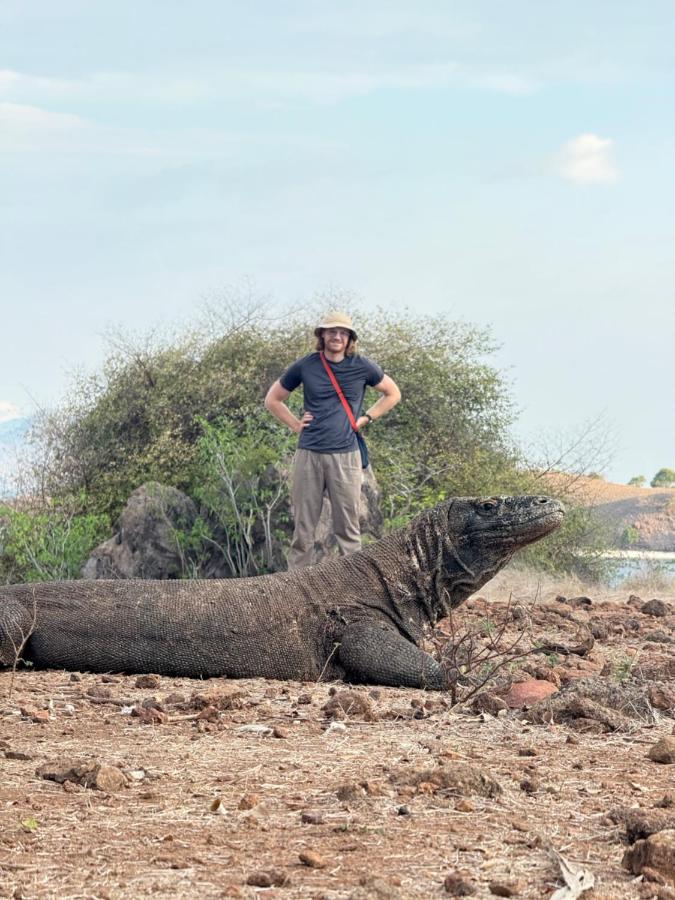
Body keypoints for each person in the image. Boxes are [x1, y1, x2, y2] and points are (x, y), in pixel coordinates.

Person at [264, 312, 401, 568]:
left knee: (348, 529)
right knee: (303, 529)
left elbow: (393, 394)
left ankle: (353, 590)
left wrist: (368, 417)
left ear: (349, 338)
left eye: (343, 332)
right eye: (332, 331)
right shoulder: (305, 365)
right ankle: (295, 589)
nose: (337, 336)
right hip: (309, 453)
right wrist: (295, 424)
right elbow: (272, 399)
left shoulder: (362, 366)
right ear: (322, 335)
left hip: (346, 455)